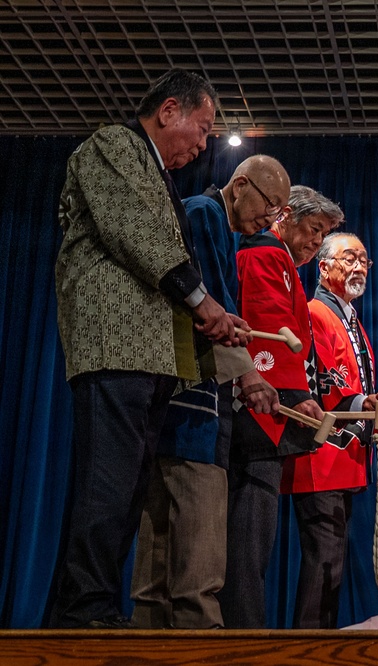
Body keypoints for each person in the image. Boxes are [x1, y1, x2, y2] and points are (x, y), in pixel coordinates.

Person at [49, 69, 248, 629]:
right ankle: (84, 609)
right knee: (108, 482)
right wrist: (203, 302)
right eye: (203, 129)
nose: (204, 144)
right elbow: (136, 231)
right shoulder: (114, 144)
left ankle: (87, 607)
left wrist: (208, 313)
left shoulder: (158, 172)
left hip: (154, 354)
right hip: (117, 346)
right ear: (168, 111)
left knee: (126, 489)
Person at [130, 155, 289, 628]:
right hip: (193, 403)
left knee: (156, 559)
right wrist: (249, 376)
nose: (271, 219)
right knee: (199, 560)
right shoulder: (203, 212)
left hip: (170, 399)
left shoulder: (210, 217)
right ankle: (201, 645)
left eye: (279, 212)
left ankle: (149, 647)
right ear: (240, 186)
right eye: (270, 205)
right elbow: (211, 306)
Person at [218, 185, 343, 628]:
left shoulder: (281, 260)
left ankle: (245, 629)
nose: (316, 241)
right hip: (260, 410)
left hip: (273, 404)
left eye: (322, 234)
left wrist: (301, 394)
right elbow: (262, 327)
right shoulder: (264, 255)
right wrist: (288, 395)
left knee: (256, 537)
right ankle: (244, 637)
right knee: (249, 537)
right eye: (313, 230)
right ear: (284, 216)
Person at [281, 230, 375, 629]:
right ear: (323, 267)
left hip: (343, 456)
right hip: (320, 453)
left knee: (331, 562)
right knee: (324, 560)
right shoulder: (315, 312)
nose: (358, 267)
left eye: (363, 260)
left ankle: (320, 644)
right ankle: (309, 649)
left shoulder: (348, 317)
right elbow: (322, 379)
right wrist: (362, 403)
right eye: (348, 258)